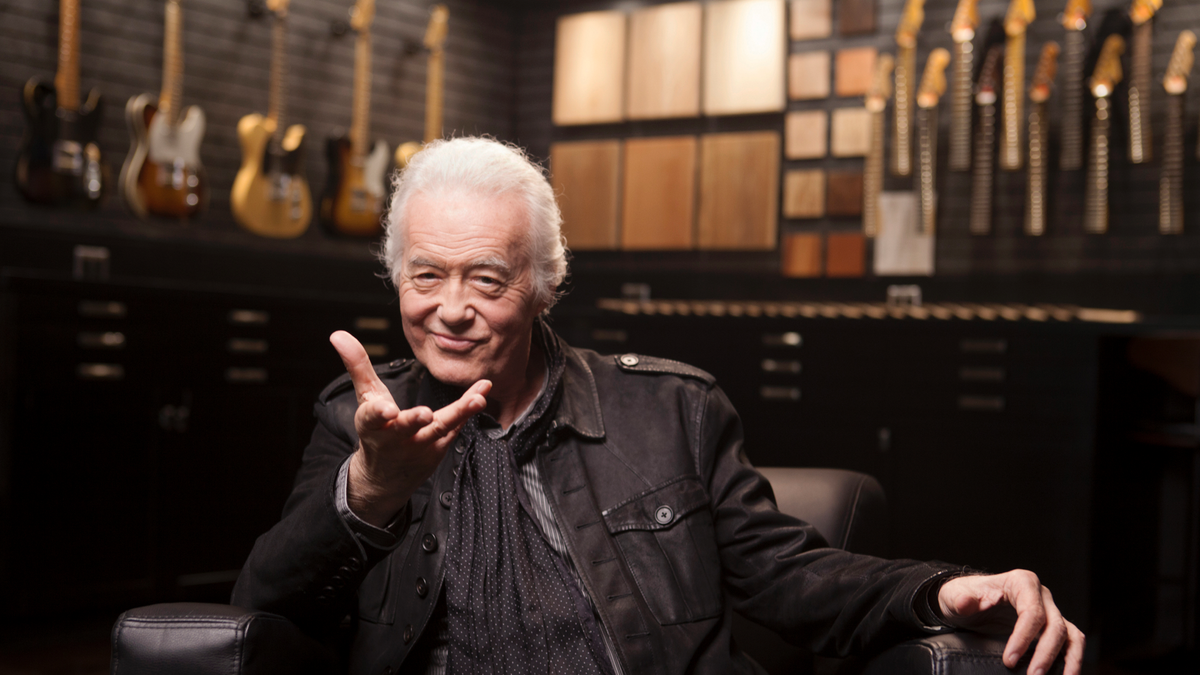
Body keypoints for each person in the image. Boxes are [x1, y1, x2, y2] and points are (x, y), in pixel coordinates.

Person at [232, 137, 1084, 675]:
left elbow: (791, 576)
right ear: (397, 279)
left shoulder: (670, 408)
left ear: (543, 286)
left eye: (486, 278)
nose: (449, 307)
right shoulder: (357, 420)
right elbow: (261, 603)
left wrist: (948, 588)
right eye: (425, 275)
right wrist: (371, 491)